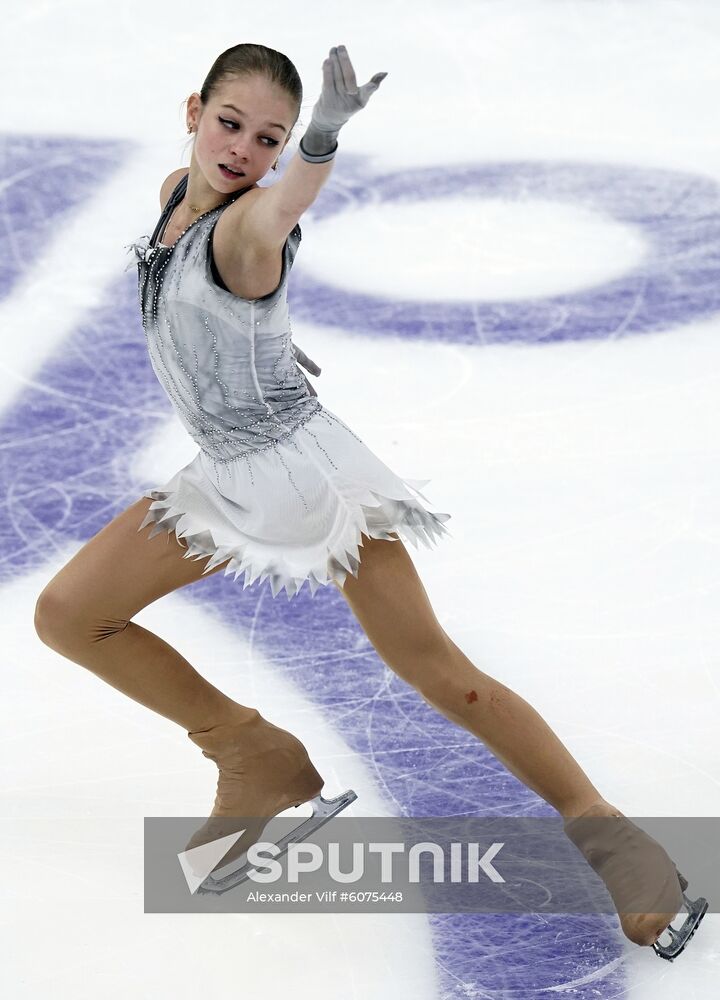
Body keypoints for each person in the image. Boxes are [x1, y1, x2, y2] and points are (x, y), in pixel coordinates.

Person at [33, 42, 704, 958]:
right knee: (71, 614)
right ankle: (250, 752)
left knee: (439, 671)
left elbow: (279, 215)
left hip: (303, 477)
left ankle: (618, 844)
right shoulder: (174, 196)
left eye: (267, 140)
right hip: (229, 466)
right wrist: (264, 340)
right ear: (193, 112)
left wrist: (320, 141)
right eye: (230, 124)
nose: (242, 150)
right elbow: (218, 305)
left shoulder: (245, 226)